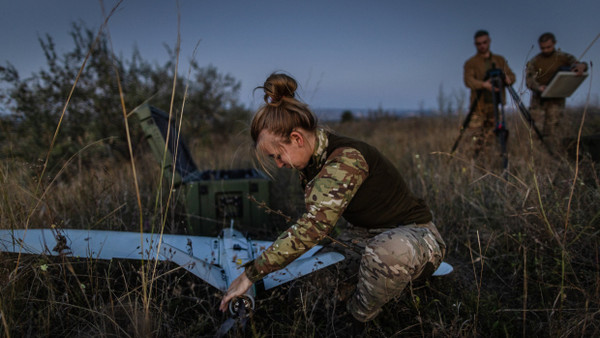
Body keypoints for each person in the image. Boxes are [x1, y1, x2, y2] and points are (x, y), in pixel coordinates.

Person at [218, 72, 446, 323]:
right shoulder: (314, 157)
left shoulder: (345, 159)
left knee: (388, 254)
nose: (279, 164)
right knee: (310, 286)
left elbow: (313, 227)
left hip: (414, 235)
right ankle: (372, 289)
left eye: (278, 155)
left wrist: (250, 274)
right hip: (364, 235)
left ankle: (359, 319)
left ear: (296, 138)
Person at [525, 32, 588, 144]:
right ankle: (538, 157)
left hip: (556, 99)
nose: (546, 50)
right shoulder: (534, 61)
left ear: (554, 43)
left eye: (548, 47)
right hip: (539, 100)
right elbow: (529, 80)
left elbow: (578, 64)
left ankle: (553, 156)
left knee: (553, 131)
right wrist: (539, 87)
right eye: (543, 48)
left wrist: (582, 66)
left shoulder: (563, 57)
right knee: (535, 132)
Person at [463, 30, 516, 160]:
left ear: (489, 41)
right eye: (479, 43)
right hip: (478, 106)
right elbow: (468, 81)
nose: (482, 46)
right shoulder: (471, 63)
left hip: (495, 104)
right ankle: (475, 162)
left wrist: (505, 79)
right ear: (475, 44)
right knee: (475, 136)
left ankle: (492, 160)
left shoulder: (499, 60)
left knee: (492, 136)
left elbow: (511, 77)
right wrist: (484, 84)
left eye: (484, 42)